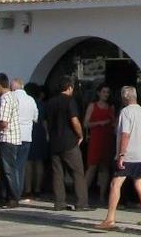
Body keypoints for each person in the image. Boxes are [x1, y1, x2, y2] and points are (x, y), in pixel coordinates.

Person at [97, 85, 141, 230]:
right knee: (140, 185)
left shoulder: (125, 112)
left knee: (115, 184)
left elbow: (125, 134)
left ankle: (110, 219)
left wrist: (122, 154)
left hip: (128, 155)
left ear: (124, 97)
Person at [45, 78, 88, 210]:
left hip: (54, 141)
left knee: (57, 173)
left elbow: (45, 122)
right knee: (77, 172)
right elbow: (74, 120)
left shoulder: (50, 102)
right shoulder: (70, 101)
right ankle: (81, 203)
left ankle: (59, 202)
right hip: (69, 142)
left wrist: (49, 136)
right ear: (69, 88)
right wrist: (81, 135)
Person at [0, 73, 36, 206]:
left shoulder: (6, 98)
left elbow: (4, 122)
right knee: (17, 167)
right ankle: (11, 194)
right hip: (22, 136)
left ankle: (12, 196)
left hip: (8, 136)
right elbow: (36, 117)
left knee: (8, 169)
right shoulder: (24, 99)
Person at [84, 84, 116, 201]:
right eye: (104, 92)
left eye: (107, 92)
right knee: (92, 167)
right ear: (98, 93)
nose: (106, 94)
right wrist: (99, 123)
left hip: (107, 140)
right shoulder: (92, 106)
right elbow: (86, 123)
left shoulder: (110, 107)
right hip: (95, 139)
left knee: (105, 168)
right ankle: (83, 194)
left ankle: (102, 195)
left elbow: (114, 123)